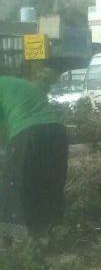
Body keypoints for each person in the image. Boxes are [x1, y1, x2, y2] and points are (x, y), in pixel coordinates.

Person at [0, 75, 68, 243]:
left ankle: (16, 242)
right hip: (57, 132)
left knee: (14, 186)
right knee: (48, 185)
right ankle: (51, 235)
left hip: (28, 133)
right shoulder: (17, 82)